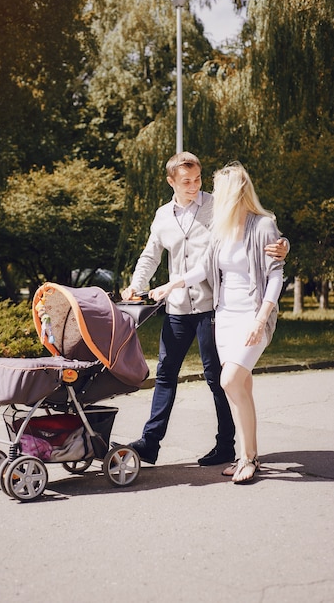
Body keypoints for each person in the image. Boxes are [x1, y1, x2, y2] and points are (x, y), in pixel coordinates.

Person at [122, 152, 288, 468]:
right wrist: (136, 285)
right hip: (178, 307)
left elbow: (257, 229)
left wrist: (284, 245)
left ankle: (227, 445)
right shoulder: (162, 216)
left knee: (218, 377)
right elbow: (150, 256)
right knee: (165, 374)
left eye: (198, 179)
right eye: (186, 181)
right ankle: (150, 443)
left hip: (213, 306)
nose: (194, 186)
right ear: (171, 181)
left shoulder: (218, 204)